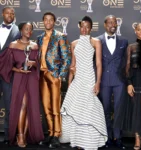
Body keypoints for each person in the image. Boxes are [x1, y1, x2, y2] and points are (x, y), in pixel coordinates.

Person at [59, 16, 107, 150]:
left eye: (87, 27)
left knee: (88, 109)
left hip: (89, 79)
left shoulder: (96, 42)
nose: (84, 29)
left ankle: (87, 141)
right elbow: (73, 66)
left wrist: (97, 83)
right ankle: (78, 139)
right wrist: (69, 84)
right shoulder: (73, 43)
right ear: (79, 27)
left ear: (91, 28)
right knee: (76, 109)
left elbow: (98, 64)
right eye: (82, 26)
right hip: (78, 79)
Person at [0, 22, 44, 147]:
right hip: (19, 77)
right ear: (21, 30)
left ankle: (25, 135)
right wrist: (18, 70)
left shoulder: (35, 46)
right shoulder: (13, 45)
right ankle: (19, 135)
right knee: (22, 105)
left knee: (31, 105)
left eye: (30, 29)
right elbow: (8, 65)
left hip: (31, 78)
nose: (29, 31)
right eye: (26, 29)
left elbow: (38, 64)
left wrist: (33, 63)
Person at [37, 12, 71, 149]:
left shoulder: (60, 36)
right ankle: (50, 133)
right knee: (46, 107)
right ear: (43, 22)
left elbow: (67, 58)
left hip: (54, 75)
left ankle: (57, 135)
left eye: (51, 20)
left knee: (56, 107)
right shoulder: (39, 38)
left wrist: (60, 74)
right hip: (41, 75)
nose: (48, 22)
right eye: (46, 20)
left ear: (54, 22)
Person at [97, 15, 128, 149]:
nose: (112, 24)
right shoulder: (97, 40)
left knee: (118, 110)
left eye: (114, 22)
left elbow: (126, 62)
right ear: (105, 24)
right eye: (109, 22)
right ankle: (107, 137)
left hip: (119, 81)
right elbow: (95, 62)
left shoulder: (124, 41)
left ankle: (118, 137)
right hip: (104, 80)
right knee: (105, 109)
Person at [121, 22, 141, 150]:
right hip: (134, 79)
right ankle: (137, 138)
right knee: (136, 110)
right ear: (135, 31)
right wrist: (129, 84)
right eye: (139, 30)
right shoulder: (131, 47)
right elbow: (127, 67)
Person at [0, 6, 20, 144]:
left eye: (12, 13)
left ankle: (8, 135)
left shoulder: (18, 30)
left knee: (9, 104)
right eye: (7, 12)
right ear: (2, 14)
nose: (10, 15)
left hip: (8, 72)